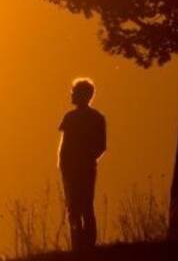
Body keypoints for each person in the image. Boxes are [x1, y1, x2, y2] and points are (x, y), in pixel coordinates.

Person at [58, 77, 106, 251]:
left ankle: (79, 244)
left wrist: (66, 164)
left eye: (74, 92)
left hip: (74, 168)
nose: (71, 95)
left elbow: (65, 144)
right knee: (86, 205)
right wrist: (88, 160)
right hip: (85, 168)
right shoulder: (98, 117)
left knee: (75, 207)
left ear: (82, 95)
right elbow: (101, 146)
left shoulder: (70, 117)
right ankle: (87, 244)